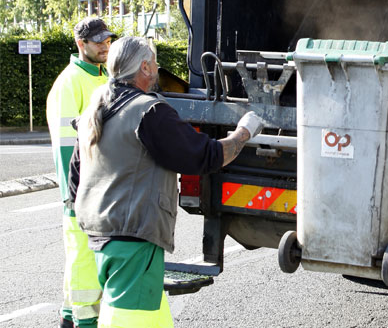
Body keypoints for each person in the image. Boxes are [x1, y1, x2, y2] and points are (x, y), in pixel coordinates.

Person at [71, 37, 262, 327]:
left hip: (104, 237)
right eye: (156, 62)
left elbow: (76, 178)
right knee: (126, 319)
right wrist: (243, 133)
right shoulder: (148, 111)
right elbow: (204, 155)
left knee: (150, 317)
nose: (159, 68)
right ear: (145, 67)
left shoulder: (96, 108)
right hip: (133, 241)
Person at [46, 17, 114, 328]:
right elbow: (64, 148)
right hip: (80, 192)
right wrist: (70, 198)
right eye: (98, 40)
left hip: (99, 188)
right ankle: (85, 322)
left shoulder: (103, 76)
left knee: (80, 259)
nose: (105, 45)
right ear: (80, 44)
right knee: (84, 261)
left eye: (107, 39)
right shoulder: (70, 82)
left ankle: (68, 318)